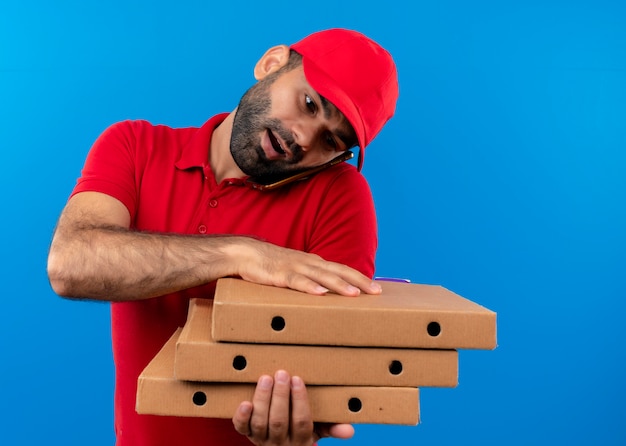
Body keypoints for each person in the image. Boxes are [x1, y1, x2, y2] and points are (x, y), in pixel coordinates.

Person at [47, 28, 399, 446]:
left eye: (329, 140)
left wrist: (304, 424)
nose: (304, 138)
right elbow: (70, 264)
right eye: (308, 104)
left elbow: (332, 362)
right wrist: (241, 254)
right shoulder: (135, 147)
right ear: (271, 64)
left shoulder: (339, 195)